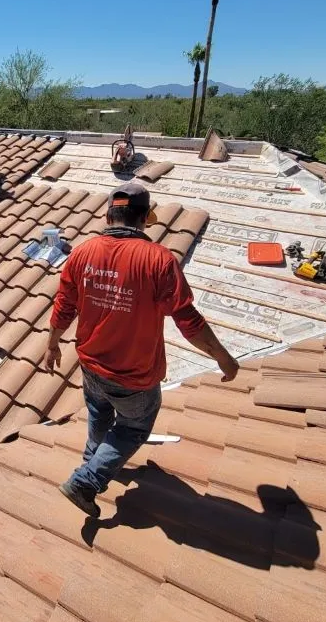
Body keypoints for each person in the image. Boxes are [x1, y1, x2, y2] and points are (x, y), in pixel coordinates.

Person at [46, 182, 239, 517]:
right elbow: (187, 320)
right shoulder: (158, 260)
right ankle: (87, 480)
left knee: (99, 412)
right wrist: (223, 358)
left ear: (109, 215)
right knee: (134, 426)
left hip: (91, 364)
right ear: (142, 219)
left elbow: (64, 305)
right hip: (133, 375)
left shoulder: (81, 253)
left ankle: (93, 460)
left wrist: (52, 344)